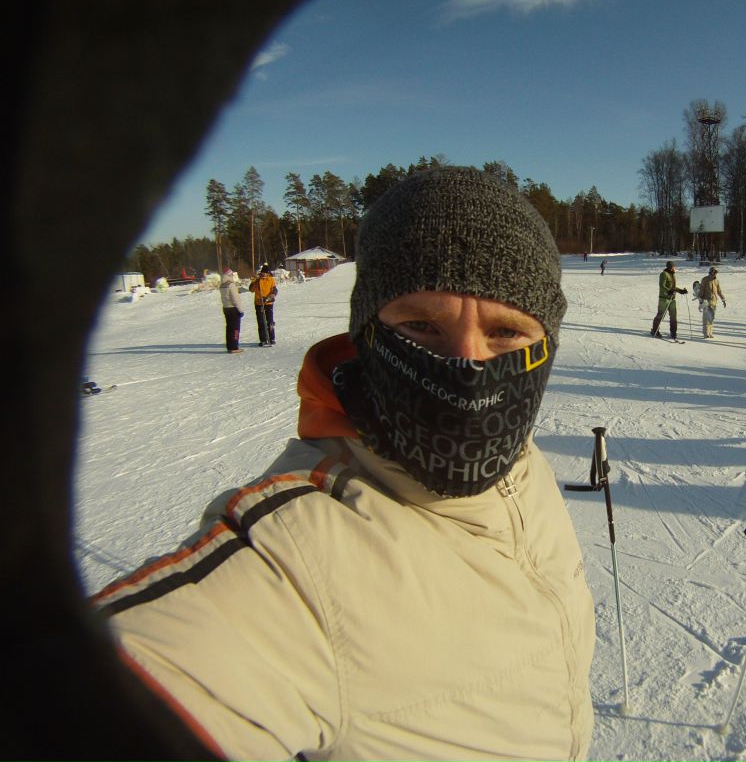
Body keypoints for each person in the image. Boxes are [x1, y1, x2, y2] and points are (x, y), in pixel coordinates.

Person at [92, 167, 596, 761]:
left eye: (506, 332)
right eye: (420, 325)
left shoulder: (518, 462)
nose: (468, 368)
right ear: (366, 334)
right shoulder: (298, 557)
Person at [650, 260, 687, 339]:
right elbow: (662, 285)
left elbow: (672, 288)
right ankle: (654, 330)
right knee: (660, 315)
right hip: (664, 298)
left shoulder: (673, 275)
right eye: (674, 267)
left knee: (673, 316)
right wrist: (669, 291)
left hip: (672, 299)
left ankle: (673, 332)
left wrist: (681, 291)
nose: (675, 268)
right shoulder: (664, 274)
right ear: (671, 267)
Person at [249, 262, 278, 346]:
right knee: (261, 322)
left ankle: (271, 338)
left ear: (268, 273)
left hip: (268, 302)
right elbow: (251, 290)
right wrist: (254, 281)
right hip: (259, 303)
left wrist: (272, 295)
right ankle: (263, 339)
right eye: (263, 273)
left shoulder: (271, 279)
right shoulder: (258, 280)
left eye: (265, 273)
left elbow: (274, 289)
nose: (264, 275)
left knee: (270, 321)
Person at [219, 268, 244, 354]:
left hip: (226, 308)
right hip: (233, 309)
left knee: (229, 328)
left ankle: (230, 346)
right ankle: (234, 347)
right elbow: (235, 299)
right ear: (229, 275)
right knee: (235, 329)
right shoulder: (231, 285)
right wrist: (240, 310)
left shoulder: (222, 284)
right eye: (232, 274)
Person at [698, 265, 727, 338]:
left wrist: (723, 299)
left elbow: (719, 291)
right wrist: (700, 300)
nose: (715, 274)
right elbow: (701, 290)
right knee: (706, 318)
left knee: (711, 318)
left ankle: (710, 333)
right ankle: (705, 333)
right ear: (710, 272)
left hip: (714, 301)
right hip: (706, 301)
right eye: (714, 273)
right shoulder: (705, 279)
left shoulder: (716, 281)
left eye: (716, 273)